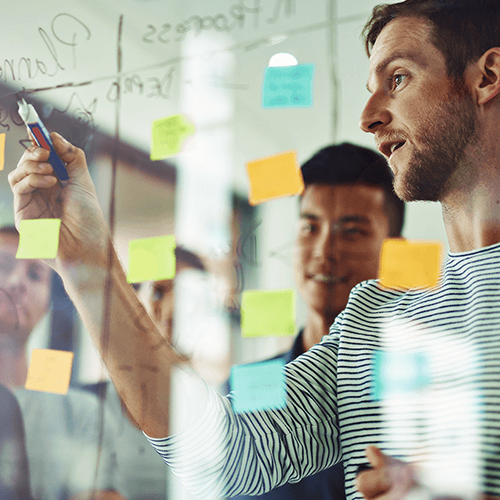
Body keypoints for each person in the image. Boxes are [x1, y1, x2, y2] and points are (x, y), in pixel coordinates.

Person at [8, 0, 500, 497]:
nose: (368, 116)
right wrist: (87, 260)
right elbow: (226, 458)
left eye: (397, 78)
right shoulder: (368, 322)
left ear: (488, 76)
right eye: (370, 89)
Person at [225, 142, 405, 500]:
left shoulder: (420, 385)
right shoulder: (245, 385)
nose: (325, 250)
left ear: (395, 250)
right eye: (310, 228)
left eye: (352, 231)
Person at [0, 225, 126, 500]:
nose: (16, 282)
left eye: (35, 274)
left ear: (47, 304)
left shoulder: (81, 413)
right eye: (3, 265)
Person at [83, 246, 207, 500]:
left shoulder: (230, 404)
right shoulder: (90, 407)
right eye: (159, 292)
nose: (173, 310)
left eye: (188, 296)